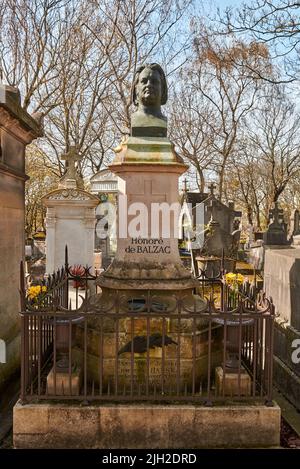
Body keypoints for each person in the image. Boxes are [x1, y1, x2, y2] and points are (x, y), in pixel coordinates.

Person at [131, 63, 168, 136]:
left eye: (154, 82)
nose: (149, 85)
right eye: (144, 81)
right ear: (136, 89)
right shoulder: (134, 120)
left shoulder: (163, 121)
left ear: (162, 88)